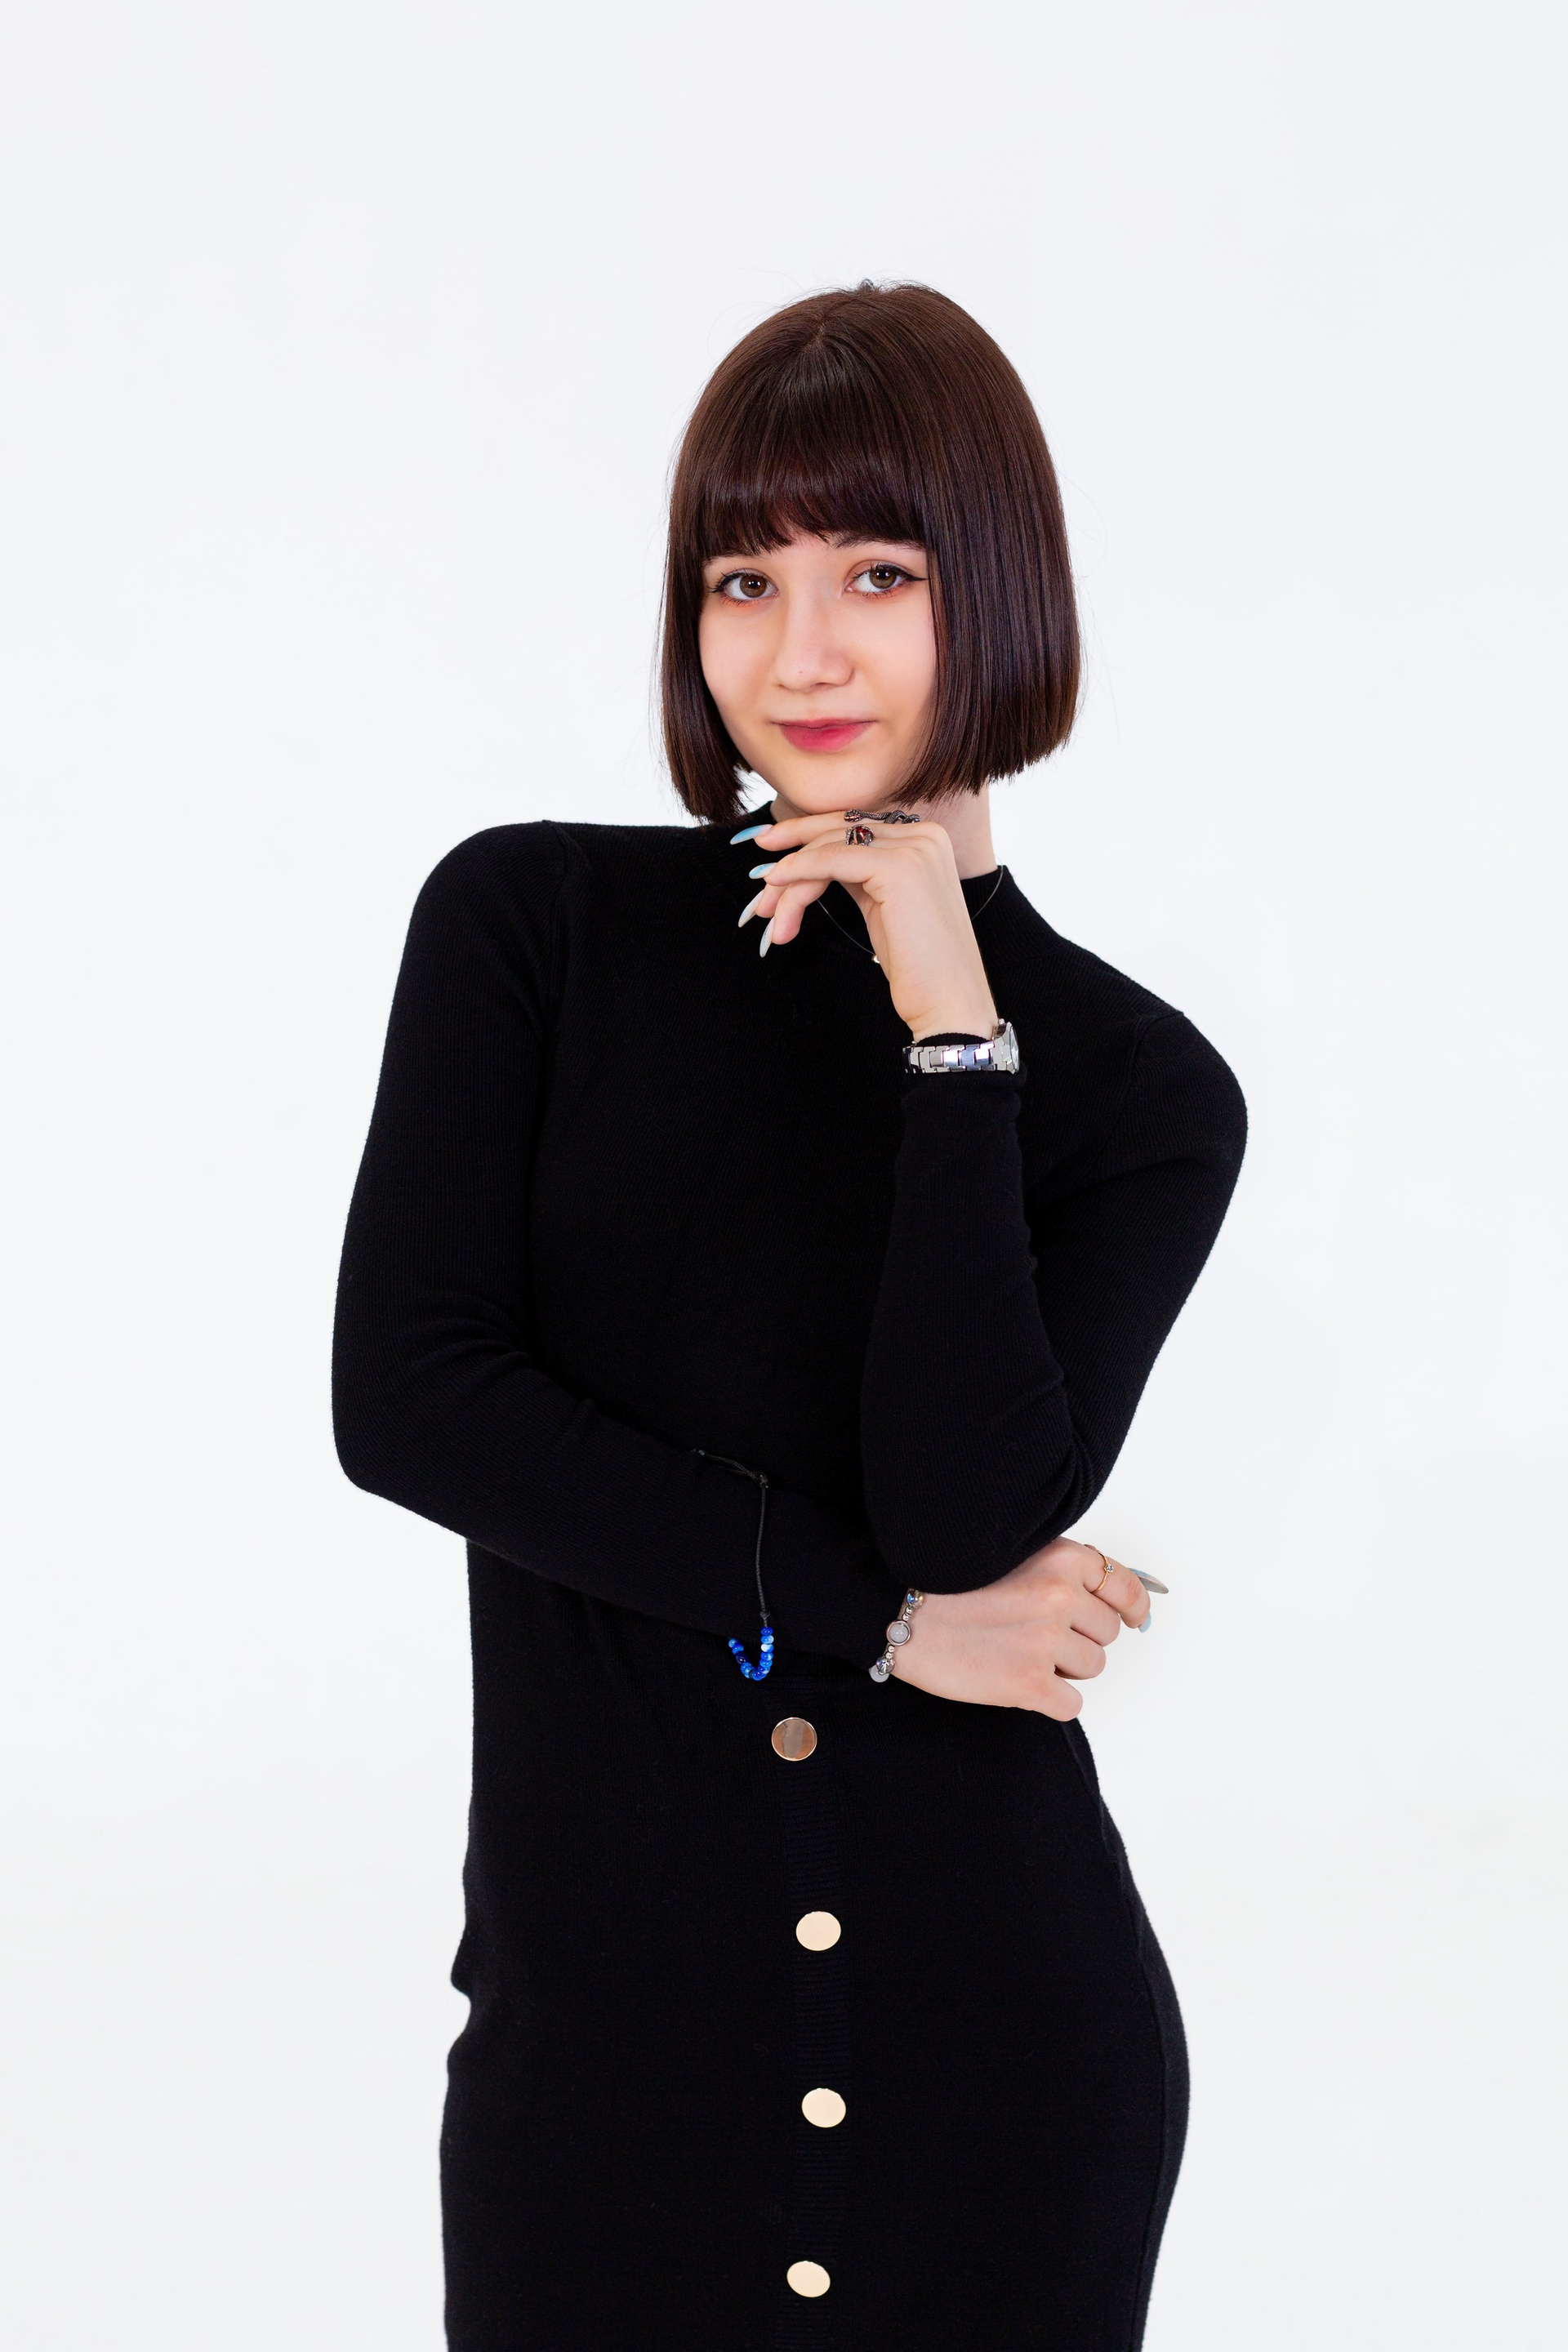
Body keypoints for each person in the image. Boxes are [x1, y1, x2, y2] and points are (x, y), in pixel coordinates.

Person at [333, 280, 1246, 2350]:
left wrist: (955, 1036)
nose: (802, 649)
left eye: (879, 574)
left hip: (1002, 2072)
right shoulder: (534, 932)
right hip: (601, 2063)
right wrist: (896, 1627)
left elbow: (964, 1503)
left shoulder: (1136, 1092)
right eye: (744, 579)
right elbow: (414, 1400)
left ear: (998, 590)